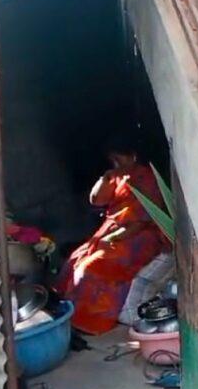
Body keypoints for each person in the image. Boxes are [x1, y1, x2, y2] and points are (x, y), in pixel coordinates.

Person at [54, 138, 168, 335]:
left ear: (132, 155)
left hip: (142, 235)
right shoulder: (119, 176)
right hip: (114, 230)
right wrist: (106, 178)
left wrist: (114, 237)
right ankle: (71, 318)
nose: (114, 162)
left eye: (118, 158)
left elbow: (141, 220)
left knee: (91, 267)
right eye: (112, 159)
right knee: (73, 260)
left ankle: (91, 320)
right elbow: (96, 200)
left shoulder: (146, 179)